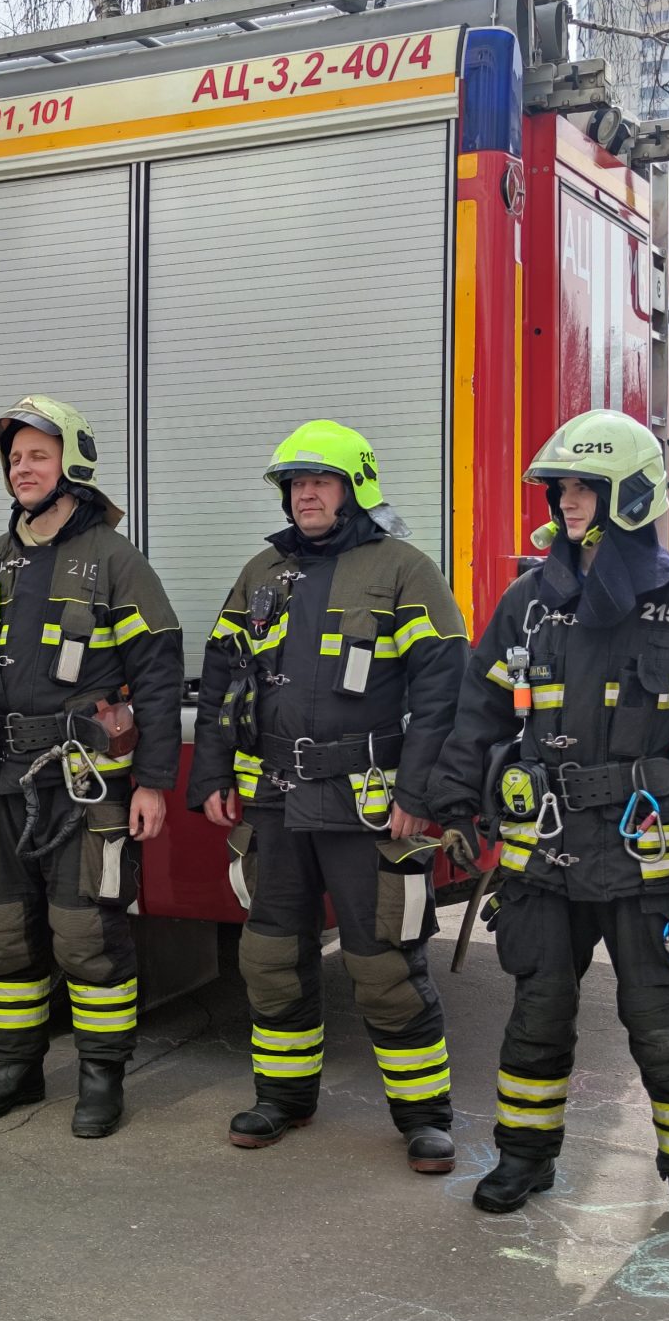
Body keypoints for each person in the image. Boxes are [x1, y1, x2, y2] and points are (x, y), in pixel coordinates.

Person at [427, 411, 669, 1242]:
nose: (566, 502)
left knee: (666, 1025)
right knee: (537, 1012)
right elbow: (478, 711)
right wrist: (455, 805)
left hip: (643, 854)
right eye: (560, 488)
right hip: (546, 853)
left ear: (628, 496)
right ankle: (524, 1158)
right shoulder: (531, 602)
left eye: (583, 488)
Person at [186, 420, 467, 1172]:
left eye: (321, 481)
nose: (305, 495)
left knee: (384, 965)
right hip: (274, 804)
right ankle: (282, 1098)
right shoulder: (261, 572)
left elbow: (444, 692)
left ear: (355, 488)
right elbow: (221, 679)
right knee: (272, 957)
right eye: (295, 484)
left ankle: (424, 1118)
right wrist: (211, 774)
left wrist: (421, 791)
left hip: (366, 807)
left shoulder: (404, 570)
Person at [0, 397, 183, 1138]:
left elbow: (159, 677)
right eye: (15, 458)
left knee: (87, 935)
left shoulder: (116, 562)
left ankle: (101, 1078)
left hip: (82, 783)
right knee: (3, 934)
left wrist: (154, 782)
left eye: (38, 455)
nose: (22, 469)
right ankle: (14, 1069)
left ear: (74, 463)